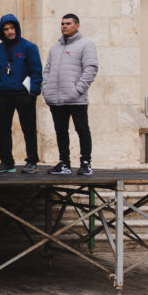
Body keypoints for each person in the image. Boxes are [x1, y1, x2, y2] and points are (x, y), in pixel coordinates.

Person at [43, 13, 98, 176]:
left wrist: (77, 90)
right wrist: (46, 88)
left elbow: (91, 68)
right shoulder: (55, 48)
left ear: (77, 26)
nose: (64, 26)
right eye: (62, 24)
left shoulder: (86, 44)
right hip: (56, 99)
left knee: (82, 130)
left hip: (76, 99)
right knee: (61, 131)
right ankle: (64, 163)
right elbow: (47, 70)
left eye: (68, 23)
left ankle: (86, 163)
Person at [0, 14, 43, 174]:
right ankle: (7, 162)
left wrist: (34, 92)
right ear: (2, 31)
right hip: (1, 95)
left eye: (12, 28)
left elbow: (36, 70)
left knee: (29, 128)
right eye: (6, 29)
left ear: (17, 28)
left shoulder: (29, 47)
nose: (10, 32)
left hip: (23, 94)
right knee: (2, 129)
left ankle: (32, 161)